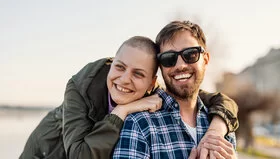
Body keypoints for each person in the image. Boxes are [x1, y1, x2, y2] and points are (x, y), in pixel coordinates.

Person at [20, 36, 238, 159]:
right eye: (120, 67)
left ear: (152, 83)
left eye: (138, 74)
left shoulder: (154, 93)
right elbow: (80, 155)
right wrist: (122, 111)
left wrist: (215, 131)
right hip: (47, 150)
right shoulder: (80, 86)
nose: (124, 80)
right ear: (112, 62)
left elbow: (220, 101)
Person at [113, 21, 238, 159]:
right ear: (161, 67)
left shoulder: (222, 126)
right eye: (169, 58)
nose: (181, 65)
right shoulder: (139, 124)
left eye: (190, 54)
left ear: (206, 59)